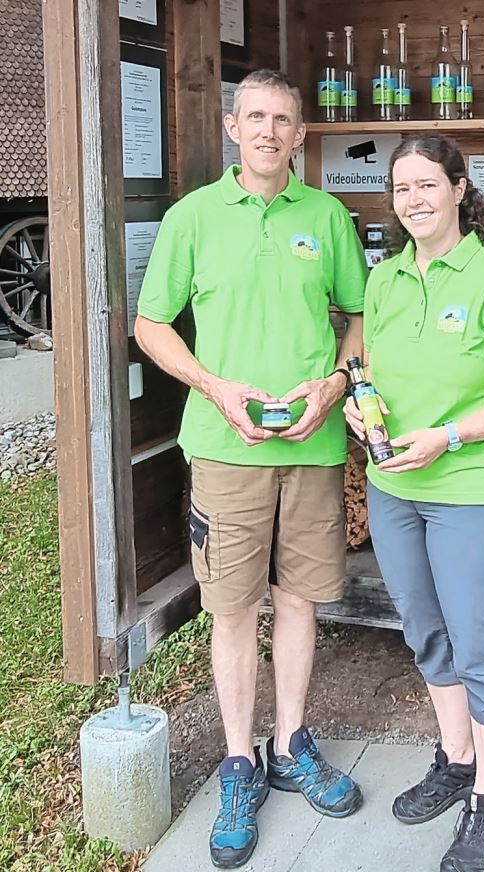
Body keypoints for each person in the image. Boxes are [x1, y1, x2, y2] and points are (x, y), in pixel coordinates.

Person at [134, 69, 366, 869]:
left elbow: (360, 316)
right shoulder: (192, 218)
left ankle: (291, 742)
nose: (269, 131)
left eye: (284, 120)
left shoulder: (327, 216)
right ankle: (240, 762)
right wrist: (213, 384)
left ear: (302, 135)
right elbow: (150, 323)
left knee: (299, 599)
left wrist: (334, 386)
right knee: (232, 608)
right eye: (256, 117)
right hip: (224, 445)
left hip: (312, 443)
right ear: (233, 129)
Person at [344, 134, 484, 872]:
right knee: (427, 636)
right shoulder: (386, 279)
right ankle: (457, 759)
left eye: (428, 184)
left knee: (480, 645)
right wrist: (357, 409)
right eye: (402, 188)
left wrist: (449, 435)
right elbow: (364, 370)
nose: (414, 200)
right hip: (393, 487)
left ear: (460, 190)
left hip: (466, 492)